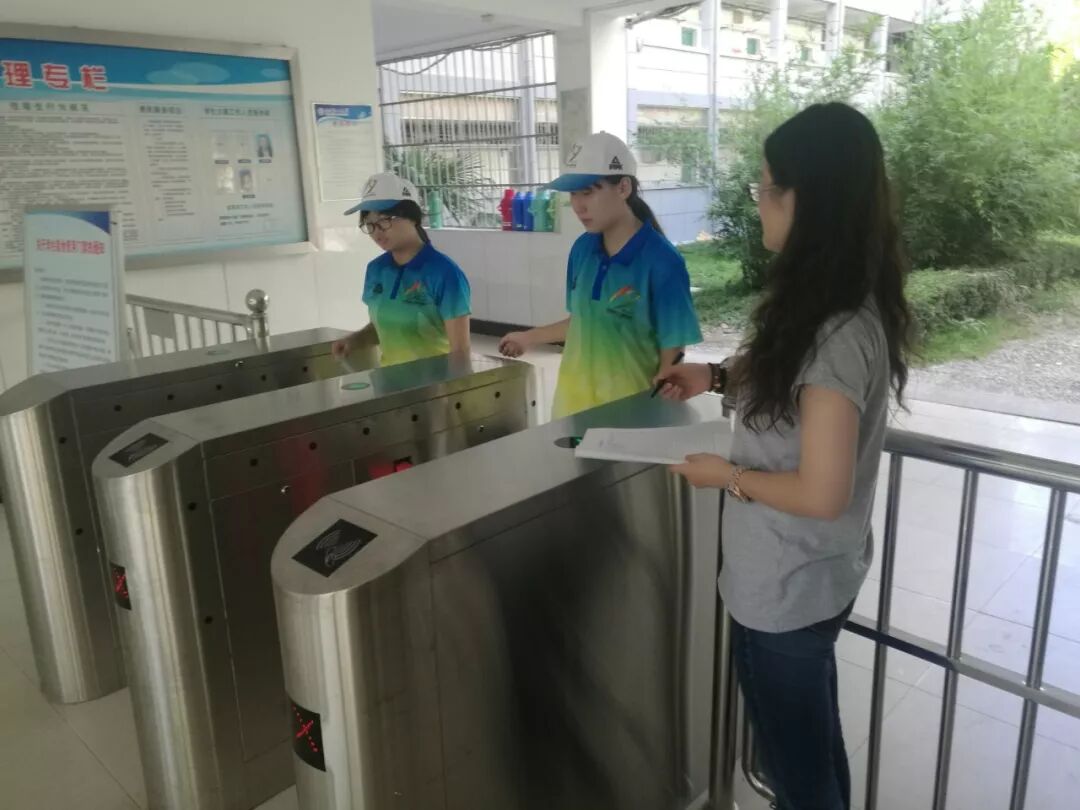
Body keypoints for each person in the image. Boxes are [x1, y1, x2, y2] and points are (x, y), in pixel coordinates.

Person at [655, 103, 913, 810]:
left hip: (787, 587)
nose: (759, 200)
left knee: (799, 777)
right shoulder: (833, 302)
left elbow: (822, 491)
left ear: (810, 199)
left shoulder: (834, 330)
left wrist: (726, 476)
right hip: (811, 577)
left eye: (767, 186)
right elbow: (791, 381)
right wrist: (715, 375)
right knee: (813, 749)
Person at [498, 131, 701, 418]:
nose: (578, 206)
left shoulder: (662, 261)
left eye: (588, 192)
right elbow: (584, 321)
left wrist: (663, 399)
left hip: (630, 414)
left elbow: (674, 346)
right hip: (572, 408)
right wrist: (528, 337)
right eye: (574, 194)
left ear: (623, 188)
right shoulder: (582, 249)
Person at [333, 173, 471, 366]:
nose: (377, 232)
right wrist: (355, 340)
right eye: (370, 224)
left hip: (435, 381)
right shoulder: (376, 270)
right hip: (389, 380)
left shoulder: (444, 273)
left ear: (413, 217)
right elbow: (382, 328)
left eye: (384, 220)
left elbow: (460, 353)